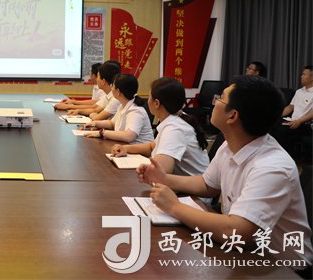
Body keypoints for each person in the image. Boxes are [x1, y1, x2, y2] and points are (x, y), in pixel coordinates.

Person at [137, 75, 312, 276]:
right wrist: (163, 178)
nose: (215, 101)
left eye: (220, 98)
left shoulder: (272, 167)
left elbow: (236, 232)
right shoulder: (231, 144)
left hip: (283, 268)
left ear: (232, 116)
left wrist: (174, 206)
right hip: (247, 254)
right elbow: (207, 184)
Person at [111, 77, 209, 176]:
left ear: (156, 103)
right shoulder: (175, 119)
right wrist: (126, 148)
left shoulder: (174, 129)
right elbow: (151, 147)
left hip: (189, 185)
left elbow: (161, 171)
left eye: (149, 96)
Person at [83, 74, 154, 144]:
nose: (111, 87)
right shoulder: (122, 105)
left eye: (113, 85)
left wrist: (102, 133)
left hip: (137, 150)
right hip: (125, 147)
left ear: (118, 92)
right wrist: (95, 123)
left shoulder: (136, 110)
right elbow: (112, 123)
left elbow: (129, 136)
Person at [273, 65, 313, 162]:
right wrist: (276, 114)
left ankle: (285, 159)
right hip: (292, 121)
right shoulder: (299, 91)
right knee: (272, 124)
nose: (301, 76)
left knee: (282, 131)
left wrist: (299, 121)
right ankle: (273, 155)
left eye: (304, 74)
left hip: (306, 124)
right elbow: (290, 107)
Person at [55, 62, 120, 117]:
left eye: (98, 76)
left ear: (103, 81)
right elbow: (95, 108)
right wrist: (76, 109)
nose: (97, 79)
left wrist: (70, 106)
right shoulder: (108, 95)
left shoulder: (115, 98)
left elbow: (96, 114)